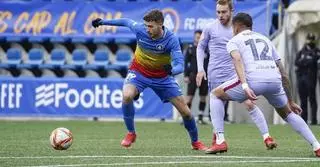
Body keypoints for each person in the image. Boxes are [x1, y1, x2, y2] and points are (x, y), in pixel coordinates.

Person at [92, 9, 207, 150]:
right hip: (139, 72)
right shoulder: (141, 30)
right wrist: (103, 22)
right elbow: (126, 21)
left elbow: (180, 65)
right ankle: (131, 133)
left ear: (160, 24)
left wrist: (171, 70)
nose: (147, 29)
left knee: (186, 112)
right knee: (127, 96)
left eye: (150, 26)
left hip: (162, 77)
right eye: (146, 25)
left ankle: (195, 142)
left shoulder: (171, 39)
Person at [213, 12, 320, 157]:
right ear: (251, 26)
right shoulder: (266, 39)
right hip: (274, 80)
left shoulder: (234, 40)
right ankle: (316, 146)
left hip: (253, 80)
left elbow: (237, 60)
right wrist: (290, 100)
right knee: (288, 113)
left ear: (237, 26)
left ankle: (220, 140)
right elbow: (283, 73)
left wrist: (244, 85)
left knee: (215, 95)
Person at [196, 0, 276, 154]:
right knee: (216, 107)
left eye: (224, 12)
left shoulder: (238, 30)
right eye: (218, 12)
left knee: (249, 103)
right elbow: (201, 47)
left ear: (232, 11)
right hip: (214, 74)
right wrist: (200, 69)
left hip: (234, 75)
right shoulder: (210, 28)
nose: (220, 15)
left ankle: (267, 137)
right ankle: (218, 139)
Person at [184, 30, 209, 125]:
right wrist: (186, 75)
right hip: (193, 75)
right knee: (189, 97)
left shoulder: (206, 49)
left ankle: (200, 117)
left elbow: (209, 62)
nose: (198, 39)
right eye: (197, 37)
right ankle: (187, 118)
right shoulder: (190, 48)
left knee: (203, 97)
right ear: (194, 37)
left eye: (200, 37)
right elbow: (186, 63)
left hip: (204, 76)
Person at [295, 33, 320, 125]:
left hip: (311, 78)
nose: (310, 42)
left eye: (312, 40)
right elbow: (297, 62)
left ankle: (314, 120)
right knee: (303, 100)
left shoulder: (317, 51)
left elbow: (315, 62)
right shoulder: (302, 51)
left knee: (312, 99)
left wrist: (305, 61)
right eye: (309, 40)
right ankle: (303, 120)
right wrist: (308, 61)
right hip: (301, 78)